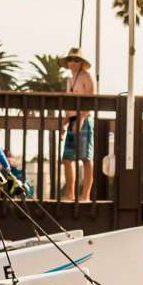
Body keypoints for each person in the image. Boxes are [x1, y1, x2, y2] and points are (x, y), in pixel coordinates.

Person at [59, 49, 95, 199]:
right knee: (67, 158)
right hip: (72, 119)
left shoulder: (87, 77)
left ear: (81, 63)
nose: (73, 63)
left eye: (76, 60)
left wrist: (81, 119)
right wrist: (65, 122)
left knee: (86, 158)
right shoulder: (69, 79)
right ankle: (70, 194)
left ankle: (85, 195)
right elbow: (69, 105)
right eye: (71, 60)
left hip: (85, 120)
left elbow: (92, 100)